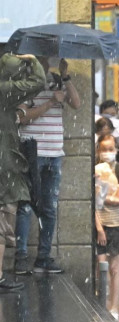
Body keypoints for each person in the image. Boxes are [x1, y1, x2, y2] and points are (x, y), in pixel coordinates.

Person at [14, 56, 81, 275]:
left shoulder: (56, 81)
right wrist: (51, 102)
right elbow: (22, 117)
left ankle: (43, 257)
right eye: (38, 60)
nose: (42, 64)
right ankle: (21, 257)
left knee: (50, 207)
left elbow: (77, 103)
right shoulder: (25, 85)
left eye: (44, 60)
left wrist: (65, 76)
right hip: (32, 151)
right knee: (25, 205)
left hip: (54, 152)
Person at [0, 53, 45, 292]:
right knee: (5, 213)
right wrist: (33, 61)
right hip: (4, 165)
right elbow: (38, 82)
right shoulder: (5, 89)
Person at [94, 134, 119, 320]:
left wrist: (102, 196)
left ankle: (113, 306)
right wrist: (99, 228)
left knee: (114, 267)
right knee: (100, 265)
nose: (107, 153)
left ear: (116, 150)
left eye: (111, 149)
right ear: (98, 151)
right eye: (104, 149)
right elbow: (93, 205)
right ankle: (100, 302)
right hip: (100, 223)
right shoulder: (94, 171)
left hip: (118, 224)